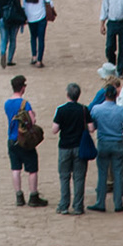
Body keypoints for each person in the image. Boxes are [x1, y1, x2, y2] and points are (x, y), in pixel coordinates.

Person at [88, 83, 123, 213]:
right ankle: (118, 203)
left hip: (103, 142)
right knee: (118, 174)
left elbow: (93, 126)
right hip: (117, 142)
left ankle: (100, 202)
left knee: (102, 174)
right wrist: (119, 129)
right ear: (116, 96)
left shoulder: (96, 109)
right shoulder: (122, 110)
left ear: (105, 95)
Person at [5, 74, 47, 207]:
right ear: (22, 88)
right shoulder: (25, 103)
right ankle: (33, 195)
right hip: (24, 140)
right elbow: (32, 121)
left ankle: (19, 195)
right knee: (32, 168)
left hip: (12, 139)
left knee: (15, 168)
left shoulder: (7, 103)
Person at [52, 83, 90, 215]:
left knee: (64, 177)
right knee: (79, 178)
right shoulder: (84, 110)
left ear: (67, 94)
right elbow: (91, 128)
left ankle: (64, 205)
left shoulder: (61, 110)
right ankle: (78, 206)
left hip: (65, 146)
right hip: (80, 146)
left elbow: (54, 130)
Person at [0, 0, 26, 68]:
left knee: (3, 38)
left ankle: (3, 51)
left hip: (2, 18)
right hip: (14, 19)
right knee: (13, 39)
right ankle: (9, 59)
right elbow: (18, 6)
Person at [23, 0, 53, 68]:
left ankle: (34, 56)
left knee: (33, 37)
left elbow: (24, 6)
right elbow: (49, 2)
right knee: (41, 38)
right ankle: (39, 60)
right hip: (41, 17)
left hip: (31, 18)